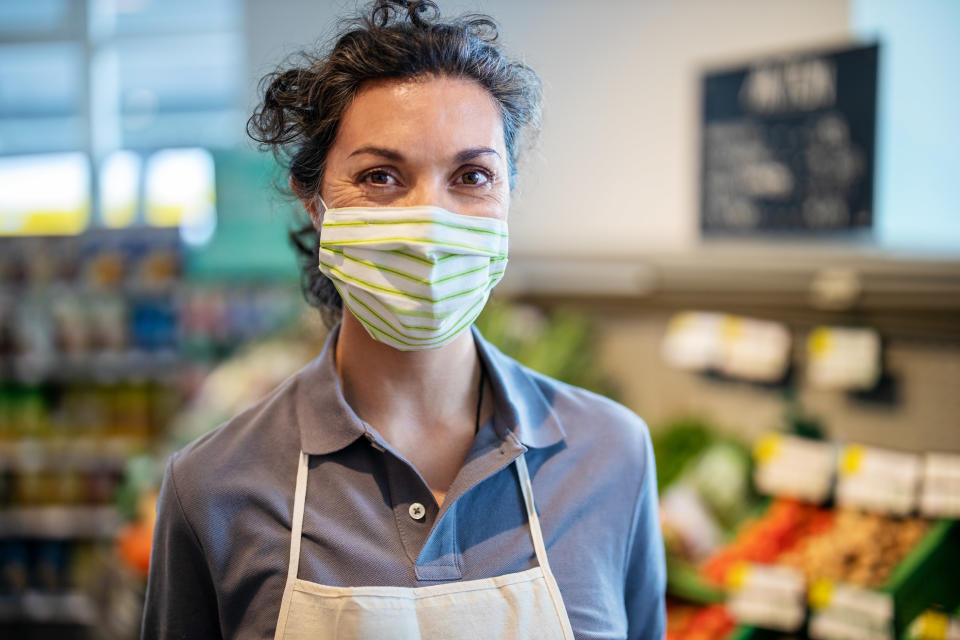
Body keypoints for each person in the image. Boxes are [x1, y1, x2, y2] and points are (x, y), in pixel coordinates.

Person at [141, 1, 666, 638]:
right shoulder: (215, 487)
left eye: (472, 175)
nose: (429, 227)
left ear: (508, 198)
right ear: (316, 204)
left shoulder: (611, 453)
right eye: (381, 176)